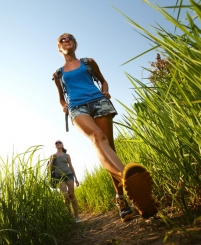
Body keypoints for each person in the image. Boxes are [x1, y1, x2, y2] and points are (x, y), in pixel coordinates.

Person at [52, 33, 158, 222]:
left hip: (99, 102)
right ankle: (127, 178)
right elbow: (61, 96)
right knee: (97, 137)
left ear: (75, 44)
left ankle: (122, 202)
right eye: (62, 40)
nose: (66, 40)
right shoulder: (58, 74)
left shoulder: (89, 61)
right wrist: (63, 105)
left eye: (70, 38)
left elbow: (103, 80)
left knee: (109, 147)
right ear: (59, 48)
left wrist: (105, 91)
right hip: (77, 107)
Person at [48, 140, 81, 223]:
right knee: (65, 196)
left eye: (60, 142)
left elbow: (71, 166)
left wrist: (76, 179)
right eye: (56, 143)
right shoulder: (53, 155)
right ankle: (69, 216)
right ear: (55, 146)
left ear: (62, 145)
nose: (58, 144)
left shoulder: (67, 155)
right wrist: (52, 159)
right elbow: (49, 167)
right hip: (59, 177)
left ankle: (76, 217)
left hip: (69, 175)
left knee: (71, 194)